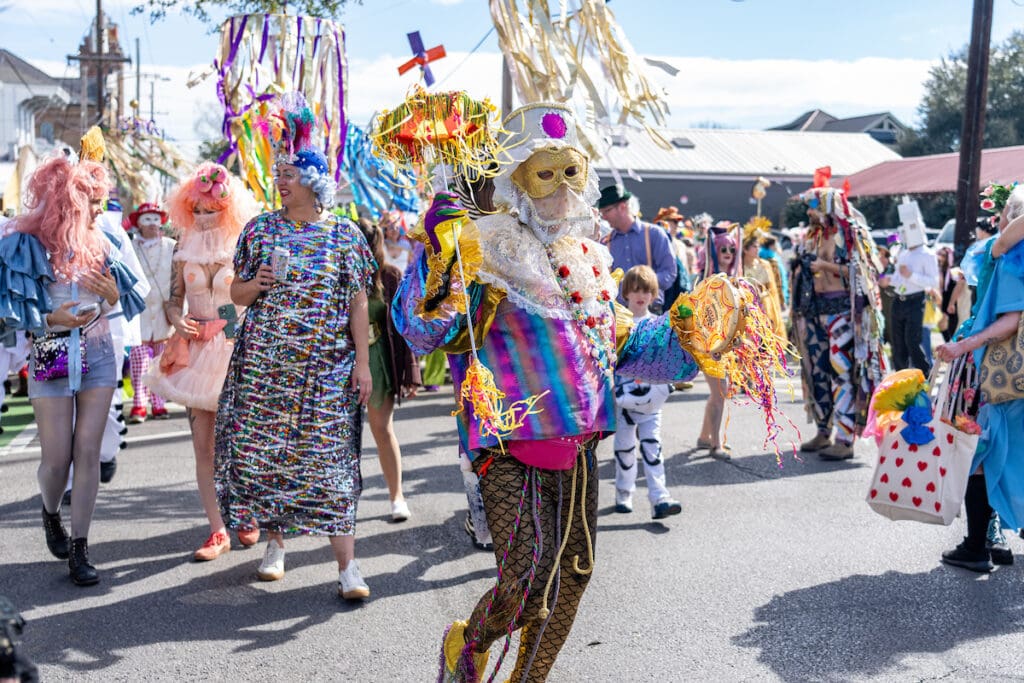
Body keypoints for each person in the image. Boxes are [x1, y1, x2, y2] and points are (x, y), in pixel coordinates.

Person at [394, 102, 699, 682]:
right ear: (516, 178)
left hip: (579, 438)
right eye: (545, 170)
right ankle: (469, 642)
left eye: (571, 171)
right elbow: (424, 328)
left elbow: (623, 342)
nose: (561, 186)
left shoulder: (584, 256)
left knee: (575, 571)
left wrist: (692, 329)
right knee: (529, 579)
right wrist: (435, 253)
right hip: (510, 439)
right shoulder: (487, 248)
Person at [215, 94, 375, 600]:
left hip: (328, 369)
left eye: (291, 172)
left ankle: (347, 568)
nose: (281, 180)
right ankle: (275, 546)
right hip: (266, 366)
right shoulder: (260, 229)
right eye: (279, 173)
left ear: (314, 180)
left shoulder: (346, 235)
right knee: (272, 458)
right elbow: (234, 295)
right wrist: (256, 282)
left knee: (329, 462)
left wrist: (364, 365)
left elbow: (358, 303)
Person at [0, 145, 144, 586]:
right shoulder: (26, 243)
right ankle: (49, 513)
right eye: (93, 201)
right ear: (67, 202)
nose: (100, 208)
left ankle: (80, 548)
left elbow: (130, 298)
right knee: (56, 458)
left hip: (99, 350)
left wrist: (115, 297)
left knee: (87, 452)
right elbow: (11, 310)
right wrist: (50, 319)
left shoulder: (109, 238)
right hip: (51, 349)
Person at [145, 163, 259, 561]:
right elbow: (173, 301)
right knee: (203, 445)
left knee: (241, 440)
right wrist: (179, 320)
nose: (204, 217)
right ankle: (217, 529)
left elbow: (250, 299)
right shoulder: (183, 249)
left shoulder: (243, 246)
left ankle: (245, 510)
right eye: (196, 210)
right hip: (194, 353)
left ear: (226, 209)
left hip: (234, 347)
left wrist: (224, 325)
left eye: (211, 209)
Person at [935, 185, 1024, 572]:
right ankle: (993, 538)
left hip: (998, 373)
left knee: (981, 454)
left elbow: (1009, 321)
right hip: (1010, 376)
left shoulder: (1009, 258)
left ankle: (978, 545)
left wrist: (962, 345)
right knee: (1010, 455)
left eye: (1005, 210)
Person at [790, 186, 886, 461]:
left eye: (813, 206)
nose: (809, 212)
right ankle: (824, 430)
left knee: (841, 373)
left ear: (828, 207)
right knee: (816, 372)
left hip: (843, 313)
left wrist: (825, 267)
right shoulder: (814, 236)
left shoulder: (850, 234)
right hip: (813, 311)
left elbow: (863, 271)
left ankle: (845, 438)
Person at [356, 217, 421, 522]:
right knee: (341, 437)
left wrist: (411, 374)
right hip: (343, 360)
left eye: (367, 243)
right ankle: (340, 504)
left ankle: (397, 497)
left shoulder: (390, 276)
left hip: (379, 358)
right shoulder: (336, 275)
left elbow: (404, 328)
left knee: (382, 430)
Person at [612, 265, 682, 519]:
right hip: (624, 398)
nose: (641, 295)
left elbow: (667, 359)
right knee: (625, 450)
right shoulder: (618, 322)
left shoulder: (659, 325)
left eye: (646, 290)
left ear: (654, 294)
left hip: (652, 400)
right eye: (635, 289)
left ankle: (659, 498)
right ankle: (623, 492)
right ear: (627, 293)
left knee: (653, 449)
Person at [127, 203, 175, 423]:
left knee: (161, 360)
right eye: (147, 219)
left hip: (165, 313)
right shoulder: (130, 248)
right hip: (139, 312)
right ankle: (139, 402)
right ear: (138, 223)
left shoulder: (172, 247)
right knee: (139, 359)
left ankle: (159, 403)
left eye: (156, 219)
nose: (153, 224)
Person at [599, 185, 678, 312]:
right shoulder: (605, 243)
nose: (604, 217)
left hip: (651, 314)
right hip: (619, 315)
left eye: (607, 211)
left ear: (622, 207)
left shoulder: (654, 234)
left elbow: (669, 272)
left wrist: (643, 285)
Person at [695, 227, 737, 459]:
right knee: (721, 391)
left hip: (727, 345)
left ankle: (704, 437)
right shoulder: (705, 280)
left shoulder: (733, 279)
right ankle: (716, 444)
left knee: (718, 392)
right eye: (723, 248)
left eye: (732, 248)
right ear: (713, 250)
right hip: (710, 344)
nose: (729, 252)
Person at [879, 209, 939, 374]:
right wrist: (889, 280)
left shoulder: (927, 254)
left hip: (915, 301)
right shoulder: (904, 253)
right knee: (898, 344)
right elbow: (900, 278)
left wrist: (911, 275)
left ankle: (924, 374)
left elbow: (933, 281)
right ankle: (900, 376)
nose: (903, 235)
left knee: (913, 342)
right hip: (899, 300)